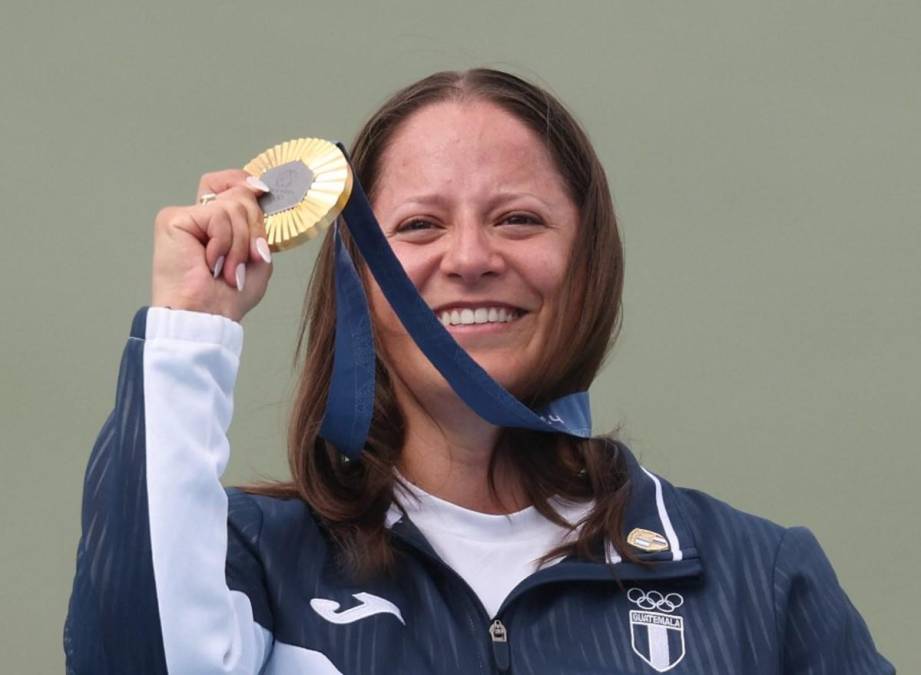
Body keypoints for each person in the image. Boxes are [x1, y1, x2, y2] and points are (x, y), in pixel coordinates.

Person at [64, 68, 893, 674]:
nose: (469, 258)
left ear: (587, 261)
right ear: (359, 279)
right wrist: (192, 327)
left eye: (519, 219)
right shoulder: (249, 561)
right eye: (419, 225)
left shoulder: (756, 578)